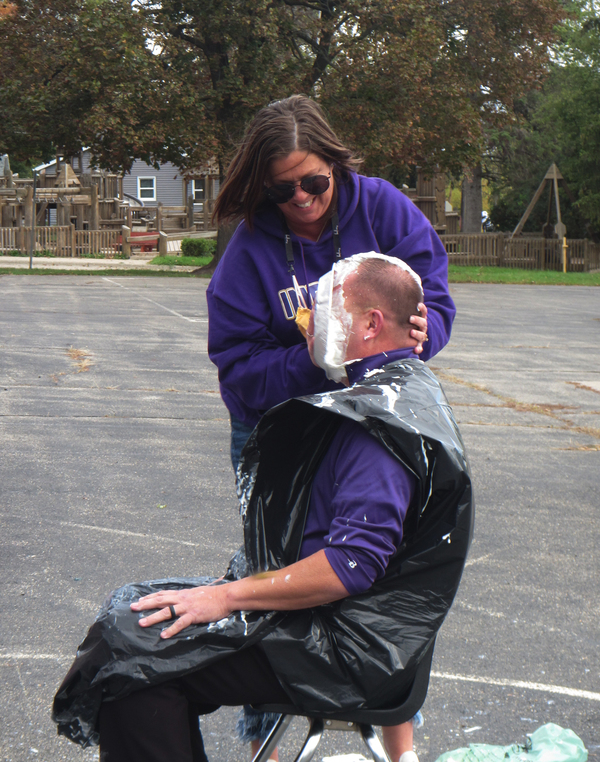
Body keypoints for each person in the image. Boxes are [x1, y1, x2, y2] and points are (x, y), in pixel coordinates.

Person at [52, 254, 473, 762]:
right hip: (342, 623)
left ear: (370, 325)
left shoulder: (379, 427)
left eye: (322, 307)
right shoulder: (392, 389)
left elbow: (352, 564)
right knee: (131, 621)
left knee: (131, 664)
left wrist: (227, 597)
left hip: (345, 647)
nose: (306, 321)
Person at [207, 94, 456, 471]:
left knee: (373, 510)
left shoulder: (382, 208)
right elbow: (239, 366)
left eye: (313, 181)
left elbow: (433, 300)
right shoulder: (248, 250)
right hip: (279, 423)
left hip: (377, 410)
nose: (301, 197)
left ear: (333, 164)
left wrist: (424, 332)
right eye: (282, 189)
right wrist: (319, 358)